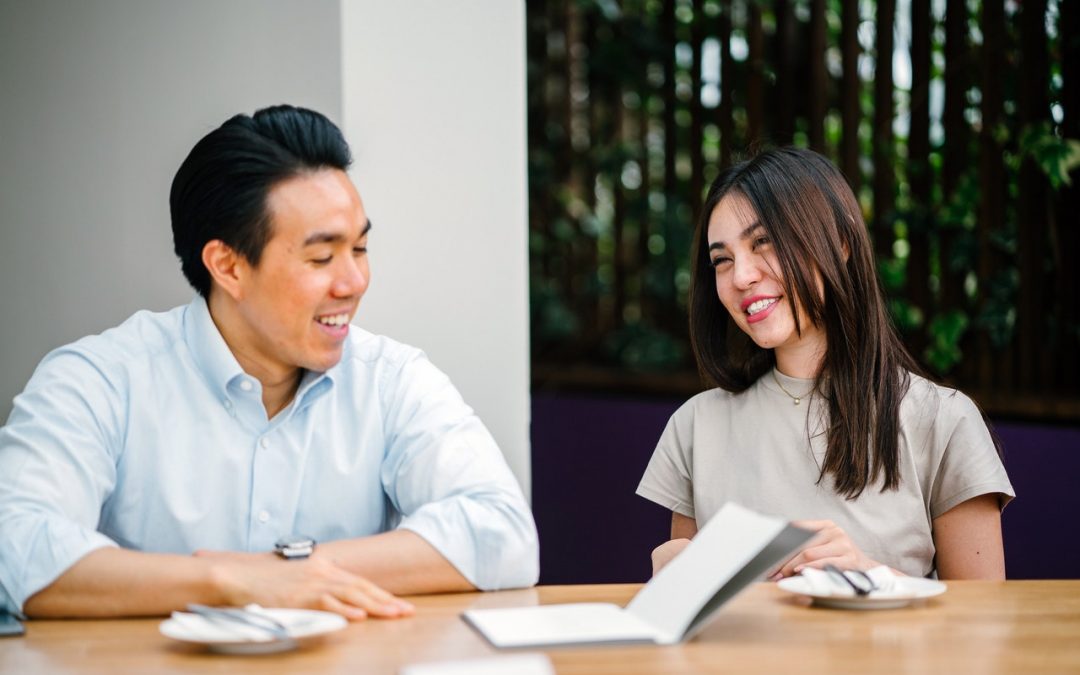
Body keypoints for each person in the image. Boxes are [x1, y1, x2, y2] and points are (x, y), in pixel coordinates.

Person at [0, 105, 539, 619]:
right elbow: (15, 545)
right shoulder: (98, 380)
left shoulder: (391, 380)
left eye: (360, 249)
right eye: (322, 257)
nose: (353, 282)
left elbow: (504, 533)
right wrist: (227, 583)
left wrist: (293, 571)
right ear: (228, 266)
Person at [637, 147, 1013, 580]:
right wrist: (674, 586)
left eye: (764, 242)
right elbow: (692, 628)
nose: (741, 277)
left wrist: (871, 577)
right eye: (722, 260)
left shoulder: (943, 421)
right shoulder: (695, 428)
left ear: (841, 243)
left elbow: (983, 630)